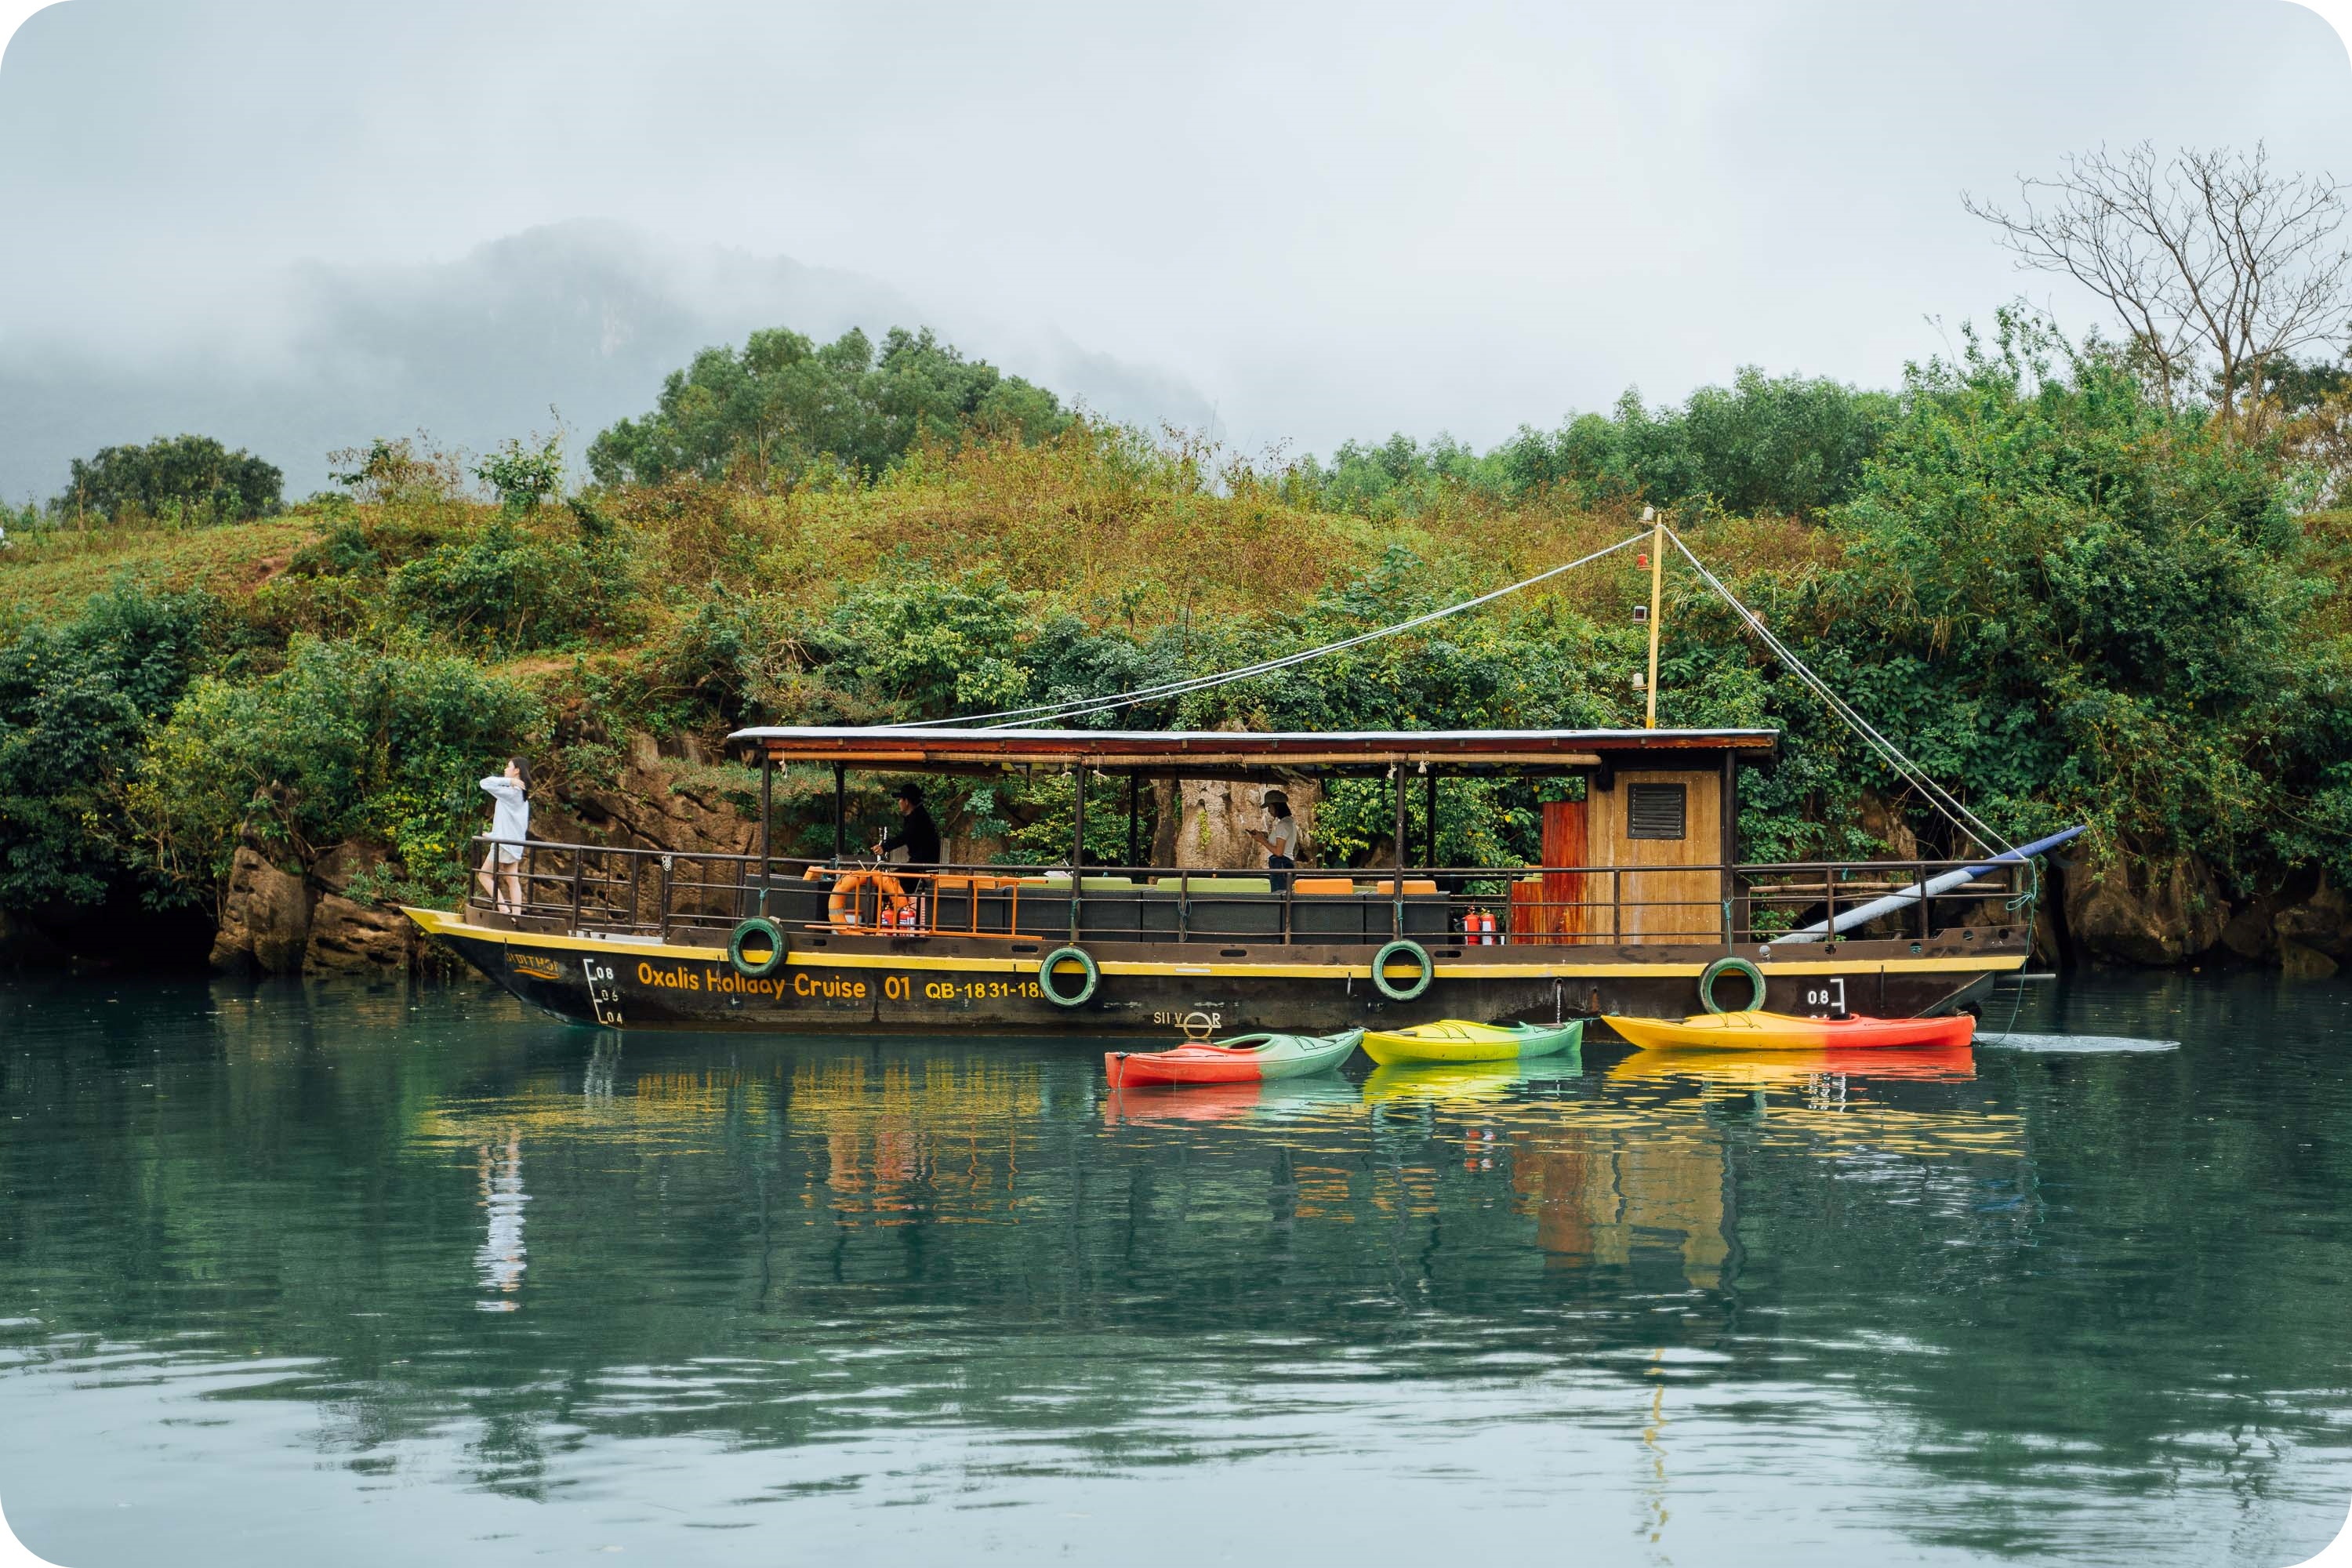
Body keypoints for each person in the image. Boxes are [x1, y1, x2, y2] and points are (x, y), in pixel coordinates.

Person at [477, 757, 532, 913]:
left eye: (508, 767)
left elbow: (484, 783)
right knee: (512, 879)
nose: (505, 770)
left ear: (517, 771)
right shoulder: (521, 793)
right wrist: (493, 834)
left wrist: (510, 782)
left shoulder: (513, 792)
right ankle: (516, 916)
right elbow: (512, 821)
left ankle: (505, 911)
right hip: (512, 842)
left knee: (484, 876)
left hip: (505, 843)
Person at [1244, 789, 1301, 888]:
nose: (1269, 811)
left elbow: (1279, 852)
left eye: (1270, 807)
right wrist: (1263, 836)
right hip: (1286, 864)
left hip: (1280, 864)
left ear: (1277, 806)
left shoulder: (1283, 824)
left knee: (1279, 895)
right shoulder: (1289, 822)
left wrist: (1261, 840)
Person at [874, 782, 942, 866]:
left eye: (900, 799)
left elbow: (904, 837)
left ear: (906, 801)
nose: (899, 802)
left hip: (923, 864)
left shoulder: (918, 818)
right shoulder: (918, 815)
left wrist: (884, 847)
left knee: (894, 879)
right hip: (921, 862)